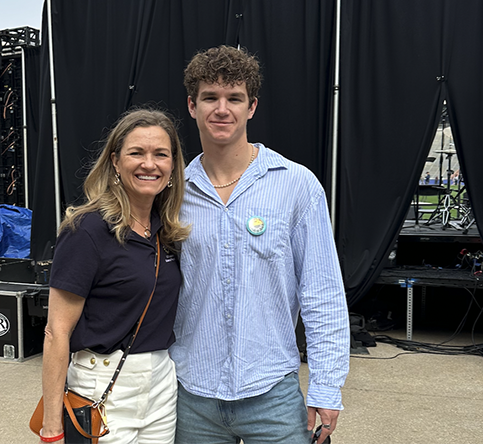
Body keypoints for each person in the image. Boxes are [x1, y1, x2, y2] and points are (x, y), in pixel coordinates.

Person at [170, 45, 350, 444]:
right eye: (210, 98)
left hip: (273, 394)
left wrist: (326, 386)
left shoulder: (296, 185)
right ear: (192, 105)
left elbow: (322, 293)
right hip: (191, 395)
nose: (222, 109)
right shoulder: (173, 191)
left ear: (251, 107)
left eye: (234, 98)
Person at [40, 109, 190, 443]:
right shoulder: (87, 230)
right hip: (102, 385)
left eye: (160, 154)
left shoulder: (167, 230)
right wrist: (52, 428)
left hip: (162, 385)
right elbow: (56, 331)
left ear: (172, 166)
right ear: (115, 162)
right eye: (136, 152)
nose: (149, 164)